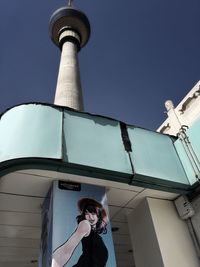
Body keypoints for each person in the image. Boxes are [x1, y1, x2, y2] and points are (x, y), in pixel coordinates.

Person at [51, 198, 108, 267]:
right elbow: (66, 250)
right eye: (86, 213)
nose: (90, 217)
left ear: (98, 215)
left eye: (93, 213)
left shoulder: (96, 236)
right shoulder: (85, 224)